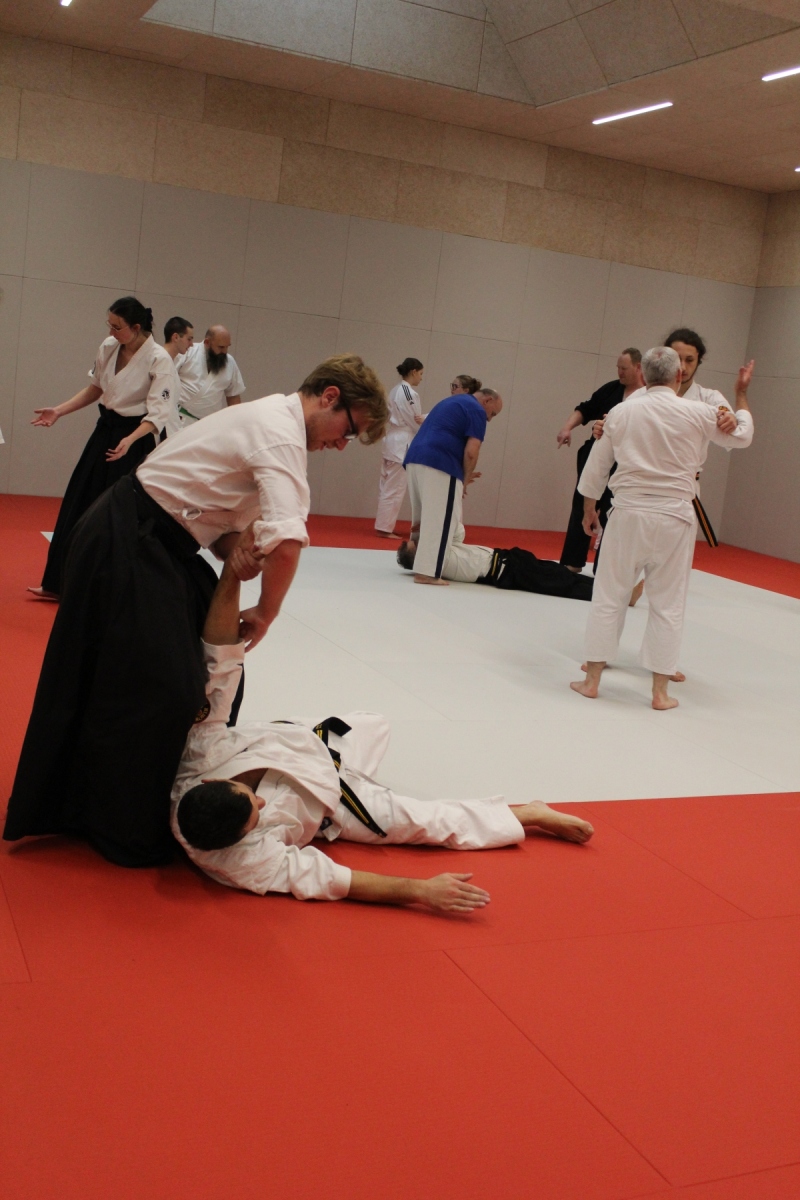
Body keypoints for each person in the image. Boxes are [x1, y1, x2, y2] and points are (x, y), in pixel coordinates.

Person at [4, 356, 388, 868]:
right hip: (129, 537)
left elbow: (222, 531)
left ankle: (157, 800)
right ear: (330, 397)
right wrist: (266, 612)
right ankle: (117, 821)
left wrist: (242, 558)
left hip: (156, 541)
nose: (341, 445)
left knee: (207, 672)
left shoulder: (272, 423)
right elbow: (288, 544)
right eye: (349, 432)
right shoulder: (279, 433)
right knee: (165, 686)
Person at [172, 561, 594, 909]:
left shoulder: (200, 755)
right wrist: (420, 891)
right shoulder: (239, 861)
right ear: (239, 840)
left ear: (209, 783)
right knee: (423, 821)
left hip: (303, 744)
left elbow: (221, 666)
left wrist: (233, 572)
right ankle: (528, 813)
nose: (261, 803)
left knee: (375, 722)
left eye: (251, 799)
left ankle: (343, 761)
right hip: (333, 803)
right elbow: (335, 880)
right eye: (256, 816)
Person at [570, 346, 753, 711]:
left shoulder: (621, 412)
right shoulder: (700, 412)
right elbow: (743, 436)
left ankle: (592, 681)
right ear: (679, 375)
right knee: (668, 604)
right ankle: (660, 692)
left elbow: (597, 467)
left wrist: (590, 508)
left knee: (609, 596)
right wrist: (741, 397)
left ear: (643, 375)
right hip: (675, 517)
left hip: (628, 514)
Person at [28, 296, 180, 600]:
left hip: (134, 440)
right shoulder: (109, 347)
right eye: (109, 325)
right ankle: (58, 582)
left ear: (135, 328)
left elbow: (158, 414)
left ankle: (108, 593)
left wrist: (131, 440)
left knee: (117, 514)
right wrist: (59, 411)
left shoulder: (159, 359)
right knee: (79, 501)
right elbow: (95, 388)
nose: (111, 331)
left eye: (117, 326)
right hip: (106, 432)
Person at [403, 385, 503, 586]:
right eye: (493, 414)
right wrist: (463, 481)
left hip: (414, 459)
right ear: (487, 401)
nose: (490, 419)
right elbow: (472, 451)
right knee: (441, 520)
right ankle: (427, 572)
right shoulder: (476, 409)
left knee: (423, 518)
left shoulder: (451, 402)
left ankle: (417, 559)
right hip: (440, 462)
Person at [557, 349, 643, 574]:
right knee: (582, 503)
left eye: (624, 368)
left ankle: (605, 567)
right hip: (596, 453)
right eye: (618, 368)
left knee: (612, 510)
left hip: (625, 462)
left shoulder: (648, 396)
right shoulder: (612, 389)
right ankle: (572, 562)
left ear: (638, 368)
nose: (619, 372)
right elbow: (585, 409)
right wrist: (567, 427)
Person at [374, 356, 425, 540]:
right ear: (413, 372)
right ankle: (384, 529)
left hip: (392, 440)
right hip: (401, 442)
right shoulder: (408, 392)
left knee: (387, 485)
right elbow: (415, 419)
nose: (421, 378)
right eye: (420, 374)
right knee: (395, 487)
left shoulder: (396, 389)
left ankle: (383, 525)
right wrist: (426, 424)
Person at [176, 325, 245, 423]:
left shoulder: (230, 363)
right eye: (221, 347)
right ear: (207, 342)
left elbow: (233, 397)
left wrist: (237, 422)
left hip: (208, 423)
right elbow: (167, 379)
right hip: (179, 417)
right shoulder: (188, 352)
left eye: (227, 347)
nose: (224, 351)